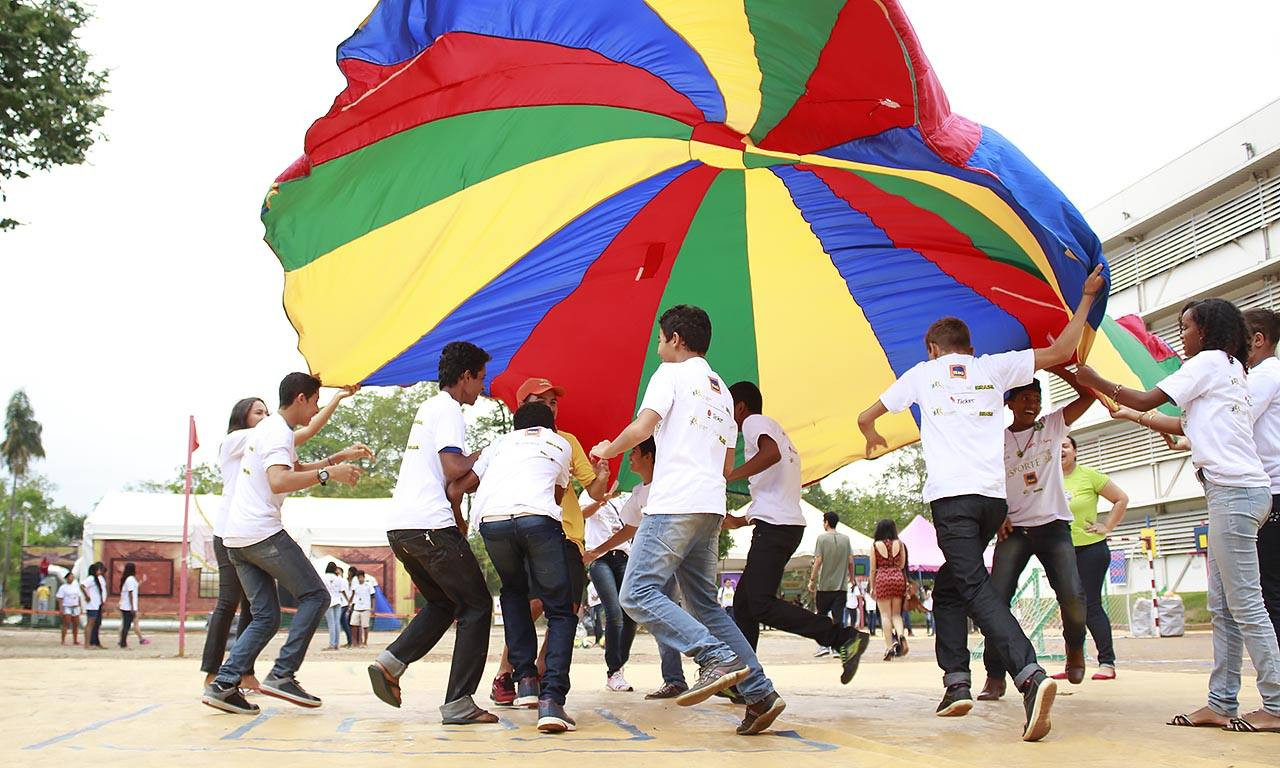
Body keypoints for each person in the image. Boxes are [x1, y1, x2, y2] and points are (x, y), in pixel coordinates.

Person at [857, 263, 1104, 741]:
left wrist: (870, 434)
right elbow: (1061, 351)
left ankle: (1029, 675)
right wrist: (1088, 297)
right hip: (993, 504)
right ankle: (956, 682)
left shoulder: (923, 374)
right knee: (951, 587)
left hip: (953, 501)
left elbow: (867, 416)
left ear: (932, 349)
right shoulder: (993, 367)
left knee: (973, 587)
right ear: (969, 349)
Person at [1080, 298, 1280, 732]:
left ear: (1206, 331)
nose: (1181, 335)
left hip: (1234, 494)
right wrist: (1134, 415)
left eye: (1186, 327)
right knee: (1223, 607)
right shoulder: (1231, 368)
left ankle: (1277, 704)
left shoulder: (1208, 362)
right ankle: (1221, 702)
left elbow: (1149, 395)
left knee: (1246, 604)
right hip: (1239, 493)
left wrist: (1096, 379)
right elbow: (1184, 423)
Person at [592, 304, 786, 736]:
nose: (658, 348)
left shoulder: (671, 374)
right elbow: (727, 464)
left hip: (675, 502)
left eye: (661, 339)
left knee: (636, 592)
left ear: (676, 339)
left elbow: (644, 427)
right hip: (710, 506)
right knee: (706, 607)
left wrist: (607, 450)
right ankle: (760, 693)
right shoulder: (722, 393)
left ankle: (712, 657)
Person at [202, 372, 370, 715]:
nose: (315, 409)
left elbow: (297, 464)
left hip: (236, 538)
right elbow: (279, 481)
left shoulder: (269, 430)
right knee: (316, 596)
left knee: (266, 616)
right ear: (300, 399)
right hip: (260, 532)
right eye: (315, 402)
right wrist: (329, 474)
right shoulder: (275, 431)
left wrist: (334, 461)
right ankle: (282, 674)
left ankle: (223, 683)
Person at [367, 341, 496, 725]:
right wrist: (489, 454)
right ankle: (459, 703)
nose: (482, 387)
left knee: (444, 603)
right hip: (428, 527)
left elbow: (441, 476)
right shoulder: (450, 409)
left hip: (402, 528)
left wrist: (456, 514)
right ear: (465, 376)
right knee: (477, 605)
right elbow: (454, 469)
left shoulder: (428, 407)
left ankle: (390, 663)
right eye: (481, 379)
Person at [724, 380, 869, 676]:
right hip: (783, 525)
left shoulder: (753, 422)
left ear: (740, 407)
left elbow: (771, 454)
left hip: (775, 529)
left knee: (760, 604)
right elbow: (775, 491)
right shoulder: (777, 430)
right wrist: (739, 520)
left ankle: (842, 637)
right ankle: (746, 678)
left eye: (728, 408)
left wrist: (729, 476)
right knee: (744, 603)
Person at [451, 401, 578, 733]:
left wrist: (459, 519)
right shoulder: (560, 443)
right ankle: (552, 701)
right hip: (537, 519)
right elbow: (557, 495)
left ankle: (525, 681)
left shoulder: (499, 444)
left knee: (514, 592)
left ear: (515, 427)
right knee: (560, 610)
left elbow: (460, 486)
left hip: (492, 522)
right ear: (550, 426)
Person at [488, 377, 610, 705]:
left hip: (567, 533)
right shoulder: (508, 445)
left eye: (553, 402)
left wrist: (601, 476)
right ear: (523, 406)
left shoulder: (566, 441)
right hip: (529, 527)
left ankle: (541, 673)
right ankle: (508, 671)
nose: (550, 407)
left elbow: (593, 489)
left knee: (567, 608)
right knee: (530, 604)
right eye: (541, 401)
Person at [977, 372, 1094, 701]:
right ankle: (995, 674)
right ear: (1010, 403)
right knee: (996, 600)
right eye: (1025, 398)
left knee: (1072, 594)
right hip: (1014, 529)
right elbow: (987, 484)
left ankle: (1075, 648)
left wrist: (1061, 369)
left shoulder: (1051, 426)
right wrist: (998, 516)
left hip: (1053, 525)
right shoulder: (996, 441)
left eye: (1037, 399)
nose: (1032, 404)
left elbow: (1088, 395)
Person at [585, 437, 690, 700]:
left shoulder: (666, 486)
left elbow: (630, 530)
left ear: (649, 457)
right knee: (627, 610)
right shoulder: (629, 493)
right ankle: (632, 672)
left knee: (687, 611)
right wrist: (596, 551)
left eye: (634, 452)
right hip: (620, 561)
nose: (629, 458)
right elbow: (627, 528)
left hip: (663, 558)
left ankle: (713, 662)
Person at [1059, 435, 1129, 680]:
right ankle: (1072, 663)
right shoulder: (1047, 478)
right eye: (1055, 446)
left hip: (1091, 549)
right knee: (1068, 607)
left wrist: (1107, 526)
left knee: (1089, 605)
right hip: (1060, 551)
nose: (1060, 450)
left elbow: (1121, 499)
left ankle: (1106, 662)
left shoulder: (1089, 476)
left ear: (1075, 451)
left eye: (1065, 446)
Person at [1242, 308, 1280, 642]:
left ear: (1258, 339)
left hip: (1272, 492)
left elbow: (1235, 420)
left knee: (1271, 591)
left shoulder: (1263, 376)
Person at [582, 489, 637, 690]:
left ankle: (619, 666)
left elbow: (635, 524)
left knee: (630, 613)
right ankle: (613, 670)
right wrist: (602, 500)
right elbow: (581, 515)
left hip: (624, 557)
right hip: (599, 558)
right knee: (614, 613)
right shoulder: (589, 493)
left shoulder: (627, 496)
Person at [808, 513, 855, 658]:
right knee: (838, 618)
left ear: (827, 522)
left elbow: (818, 561)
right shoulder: (846, 539)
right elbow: (851, 561)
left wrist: (812, 580)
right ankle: (836, 648)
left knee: (822, 617)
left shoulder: (821, 539)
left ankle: (823, 646)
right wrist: (852, 578)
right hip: (841, 587)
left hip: (824, 586)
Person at [869, 519, 909, 661]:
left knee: (885, 615)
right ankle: (901, 635)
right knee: (896, 614)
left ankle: (889, 646)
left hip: (882, 578)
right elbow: (902, 564)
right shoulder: (900, 544)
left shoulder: (875, 545)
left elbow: (873, 569)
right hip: (898, 578)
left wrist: (872, 586)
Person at [81, 562, 107, 649]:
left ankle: (95, 642)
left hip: (97, 604)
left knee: (95, 624)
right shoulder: (91, 578)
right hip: (92, 605)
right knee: (90, 624)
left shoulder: (97, 579)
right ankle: (87, 644)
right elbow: (82, 586)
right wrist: (87, 596)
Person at [321, 563, 346, 651]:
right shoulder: (338, 578)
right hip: (338, 600)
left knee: (331, 623)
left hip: (329, 601)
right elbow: (341, 590)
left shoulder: (324, 577)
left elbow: (322, 589)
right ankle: (336, 644)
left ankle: (332, 644)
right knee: (337, 623)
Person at [350, 571, 374, 647]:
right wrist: (350, 604)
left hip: (365, 608)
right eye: (358, 577)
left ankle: (365, 642)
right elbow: (353, 595)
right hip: (357, 607)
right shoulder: (355, 586)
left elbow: (373, 596)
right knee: (353, 624)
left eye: (361, 577)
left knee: (365, 626)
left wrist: (372, 607)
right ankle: (355, 642)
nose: (360, 579)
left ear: (363, 577)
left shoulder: (368, 585)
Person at [118, 562, 140, 648]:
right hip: (128, 606)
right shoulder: (130, 579)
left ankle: (122, 642)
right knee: (126, 625)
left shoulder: (129, 579)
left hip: (127, 605)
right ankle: (123, 643)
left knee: (126, 624)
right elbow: (131, 594)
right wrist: (132, 607)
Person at [57, 572, 81, 645]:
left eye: (72, 577)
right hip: (67, 606)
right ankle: (63, 640)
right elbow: (60, 598)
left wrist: (80, 606)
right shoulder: (63, 587)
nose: (71, 578)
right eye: (70, 577)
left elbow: (78, 597)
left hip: (75, 606)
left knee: (76, 624)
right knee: (66, 623)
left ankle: (75, 640)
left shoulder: (76, 587)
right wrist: (61, 609)